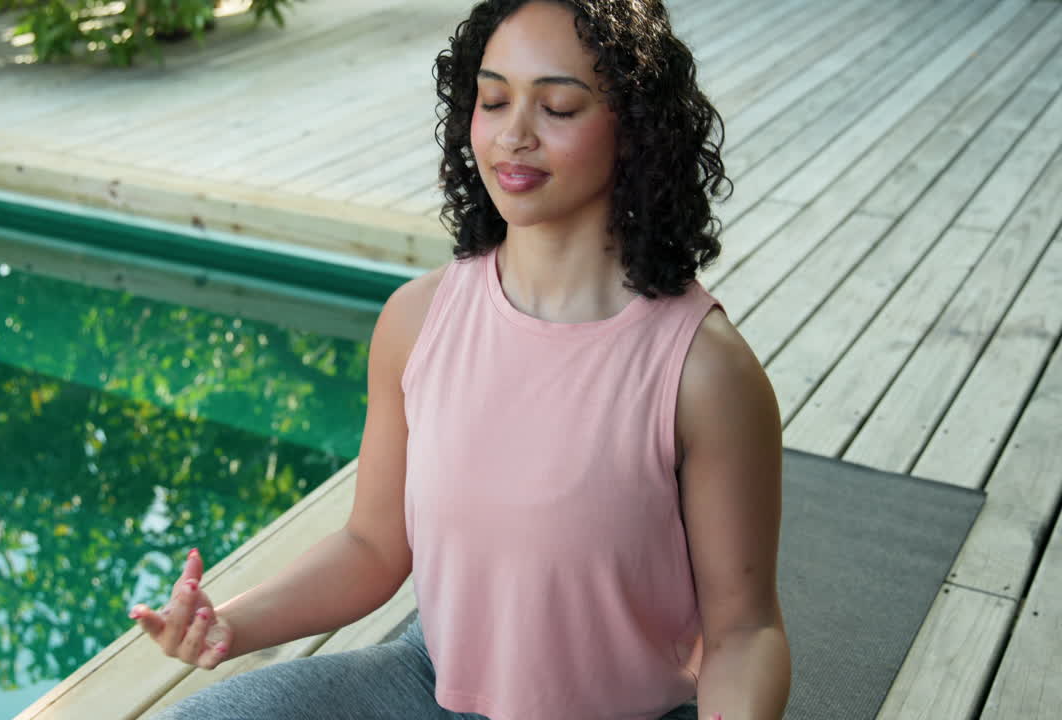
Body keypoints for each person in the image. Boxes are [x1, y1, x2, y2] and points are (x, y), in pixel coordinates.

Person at [128, 0, 791, 718]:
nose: (513, 135)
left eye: (559, 107)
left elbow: (745, 631)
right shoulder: (418, 320)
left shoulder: (704, 371)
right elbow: (373, 545)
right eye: (494, 99)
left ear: (634, 128)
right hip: (429, 685)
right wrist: (227, 621)